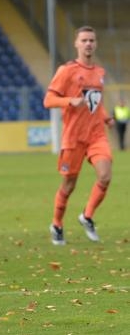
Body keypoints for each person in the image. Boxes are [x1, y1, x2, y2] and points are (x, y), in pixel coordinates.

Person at [44, 25, 115, 245]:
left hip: (96, 135)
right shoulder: (66, 71)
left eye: (92, 40)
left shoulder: (100, 73)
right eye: (84, 40)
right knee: (69, 185)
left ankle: (87, 216)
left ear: (96, 44)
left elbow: (96, 103)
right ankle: (56, 224)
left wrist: (106, 117)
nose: (88, 44)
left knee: (105, 176)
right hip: (73, 137)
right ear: (76, 44)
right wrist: (69, 101)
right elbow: (48, 100)